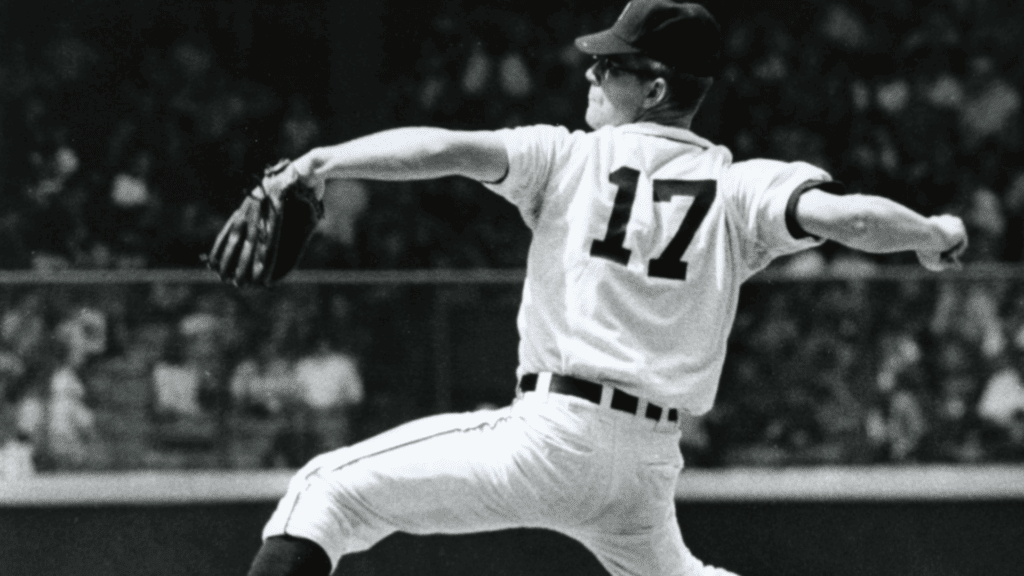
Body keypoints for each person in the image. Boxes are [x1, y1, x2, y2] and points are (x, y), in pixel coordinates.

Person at [243, 2, 968, 575]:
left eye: (611, 67)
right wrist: (933, 232)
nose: (591, 75)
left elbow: (445, 148)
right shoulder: (740, 185)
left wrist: (323, 162)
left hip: (554, 436)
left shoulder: (565, 156)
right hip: (646, 464)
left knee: (327, 490)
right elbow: (852, 219)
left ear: (653, 89)